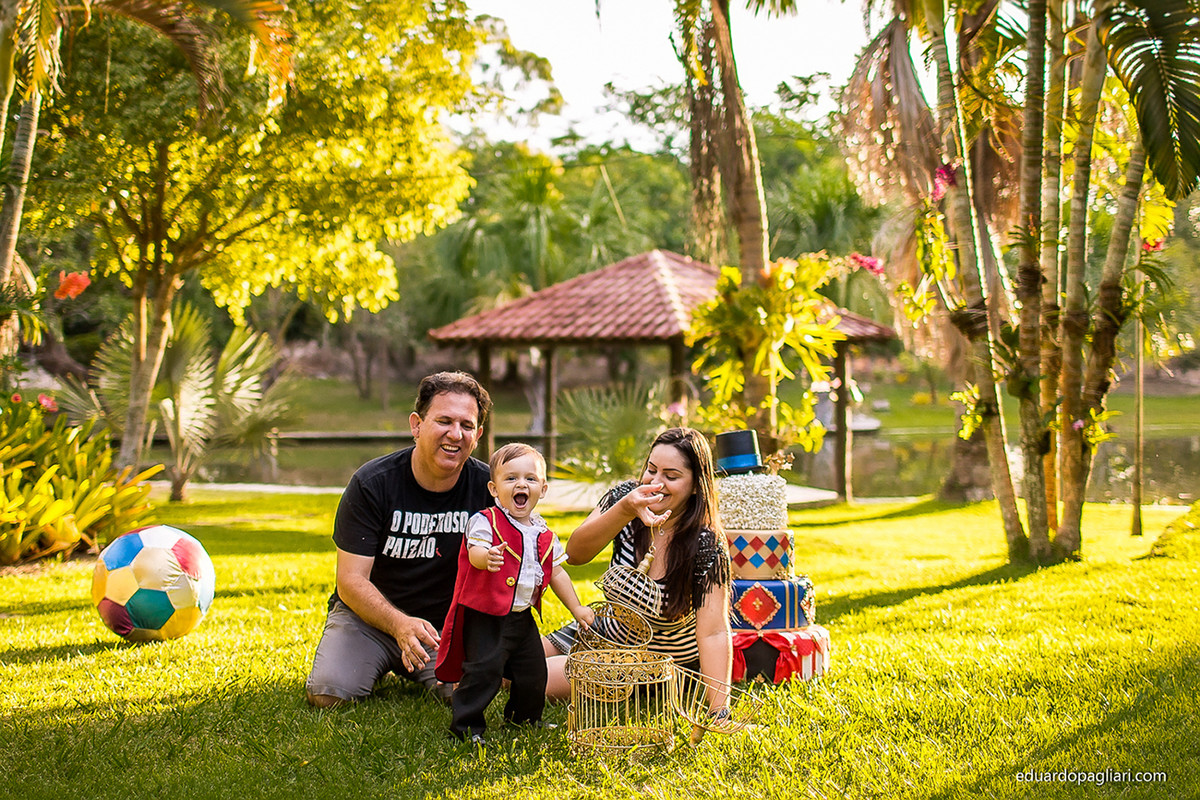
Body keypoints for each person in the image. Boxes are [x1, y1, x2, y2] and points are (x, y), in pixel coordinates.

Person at [305, 371, 493, 707]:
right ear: (416, 425)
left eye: (466, 425)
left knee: (469, 693)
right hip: (369, 619)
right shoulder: (372, 483)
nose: (455, 434)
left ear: (477, 435)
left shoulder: (490, 489)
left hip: (443, 628)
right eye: (444, 421)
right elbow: (349, 581)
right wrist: (399, 624)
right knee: (330, 693)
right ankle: (372, 657)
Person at [543, 427, 732, 711]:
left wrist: (720, 712)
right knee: (513, 661)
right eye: (651, 470)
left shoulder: (706, 543)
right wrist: (624, 510)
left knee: (532, 676)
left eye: (671, 476)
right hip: (604, 633)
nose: (656, 483)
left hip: (653, 664)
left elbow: (714, 632)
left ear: (696, 485)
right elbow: (576, 554)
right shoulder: (626, 499)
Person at [435, 443, 594, 741]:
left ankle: (524, 718)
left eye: (530, 479)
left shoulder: (544, 533)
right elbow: (474, 550)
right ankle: (466, 727)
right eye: (511, 479)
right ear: (494, 489)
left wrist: (577, 609)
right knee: (483, 671)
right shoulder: (485, 521)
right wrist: (487, 557)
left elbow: (557, 572)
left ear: (543, 489)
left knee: (534, 672)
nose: (521, 484)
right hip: (487, 616)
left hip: (521, 618)